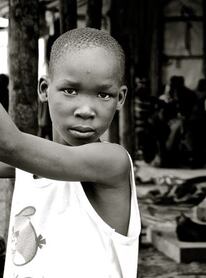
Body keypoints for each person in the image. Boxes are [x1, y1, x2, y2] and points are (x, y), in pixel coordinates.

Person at [0, 28, 140, 277]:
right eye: (70, 90)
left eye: (103, 94)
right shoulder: (29, 166)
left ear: (120, 98)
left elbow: (10, 145)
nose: (86, 110)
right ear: (44, 89)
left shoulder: (111, 163)